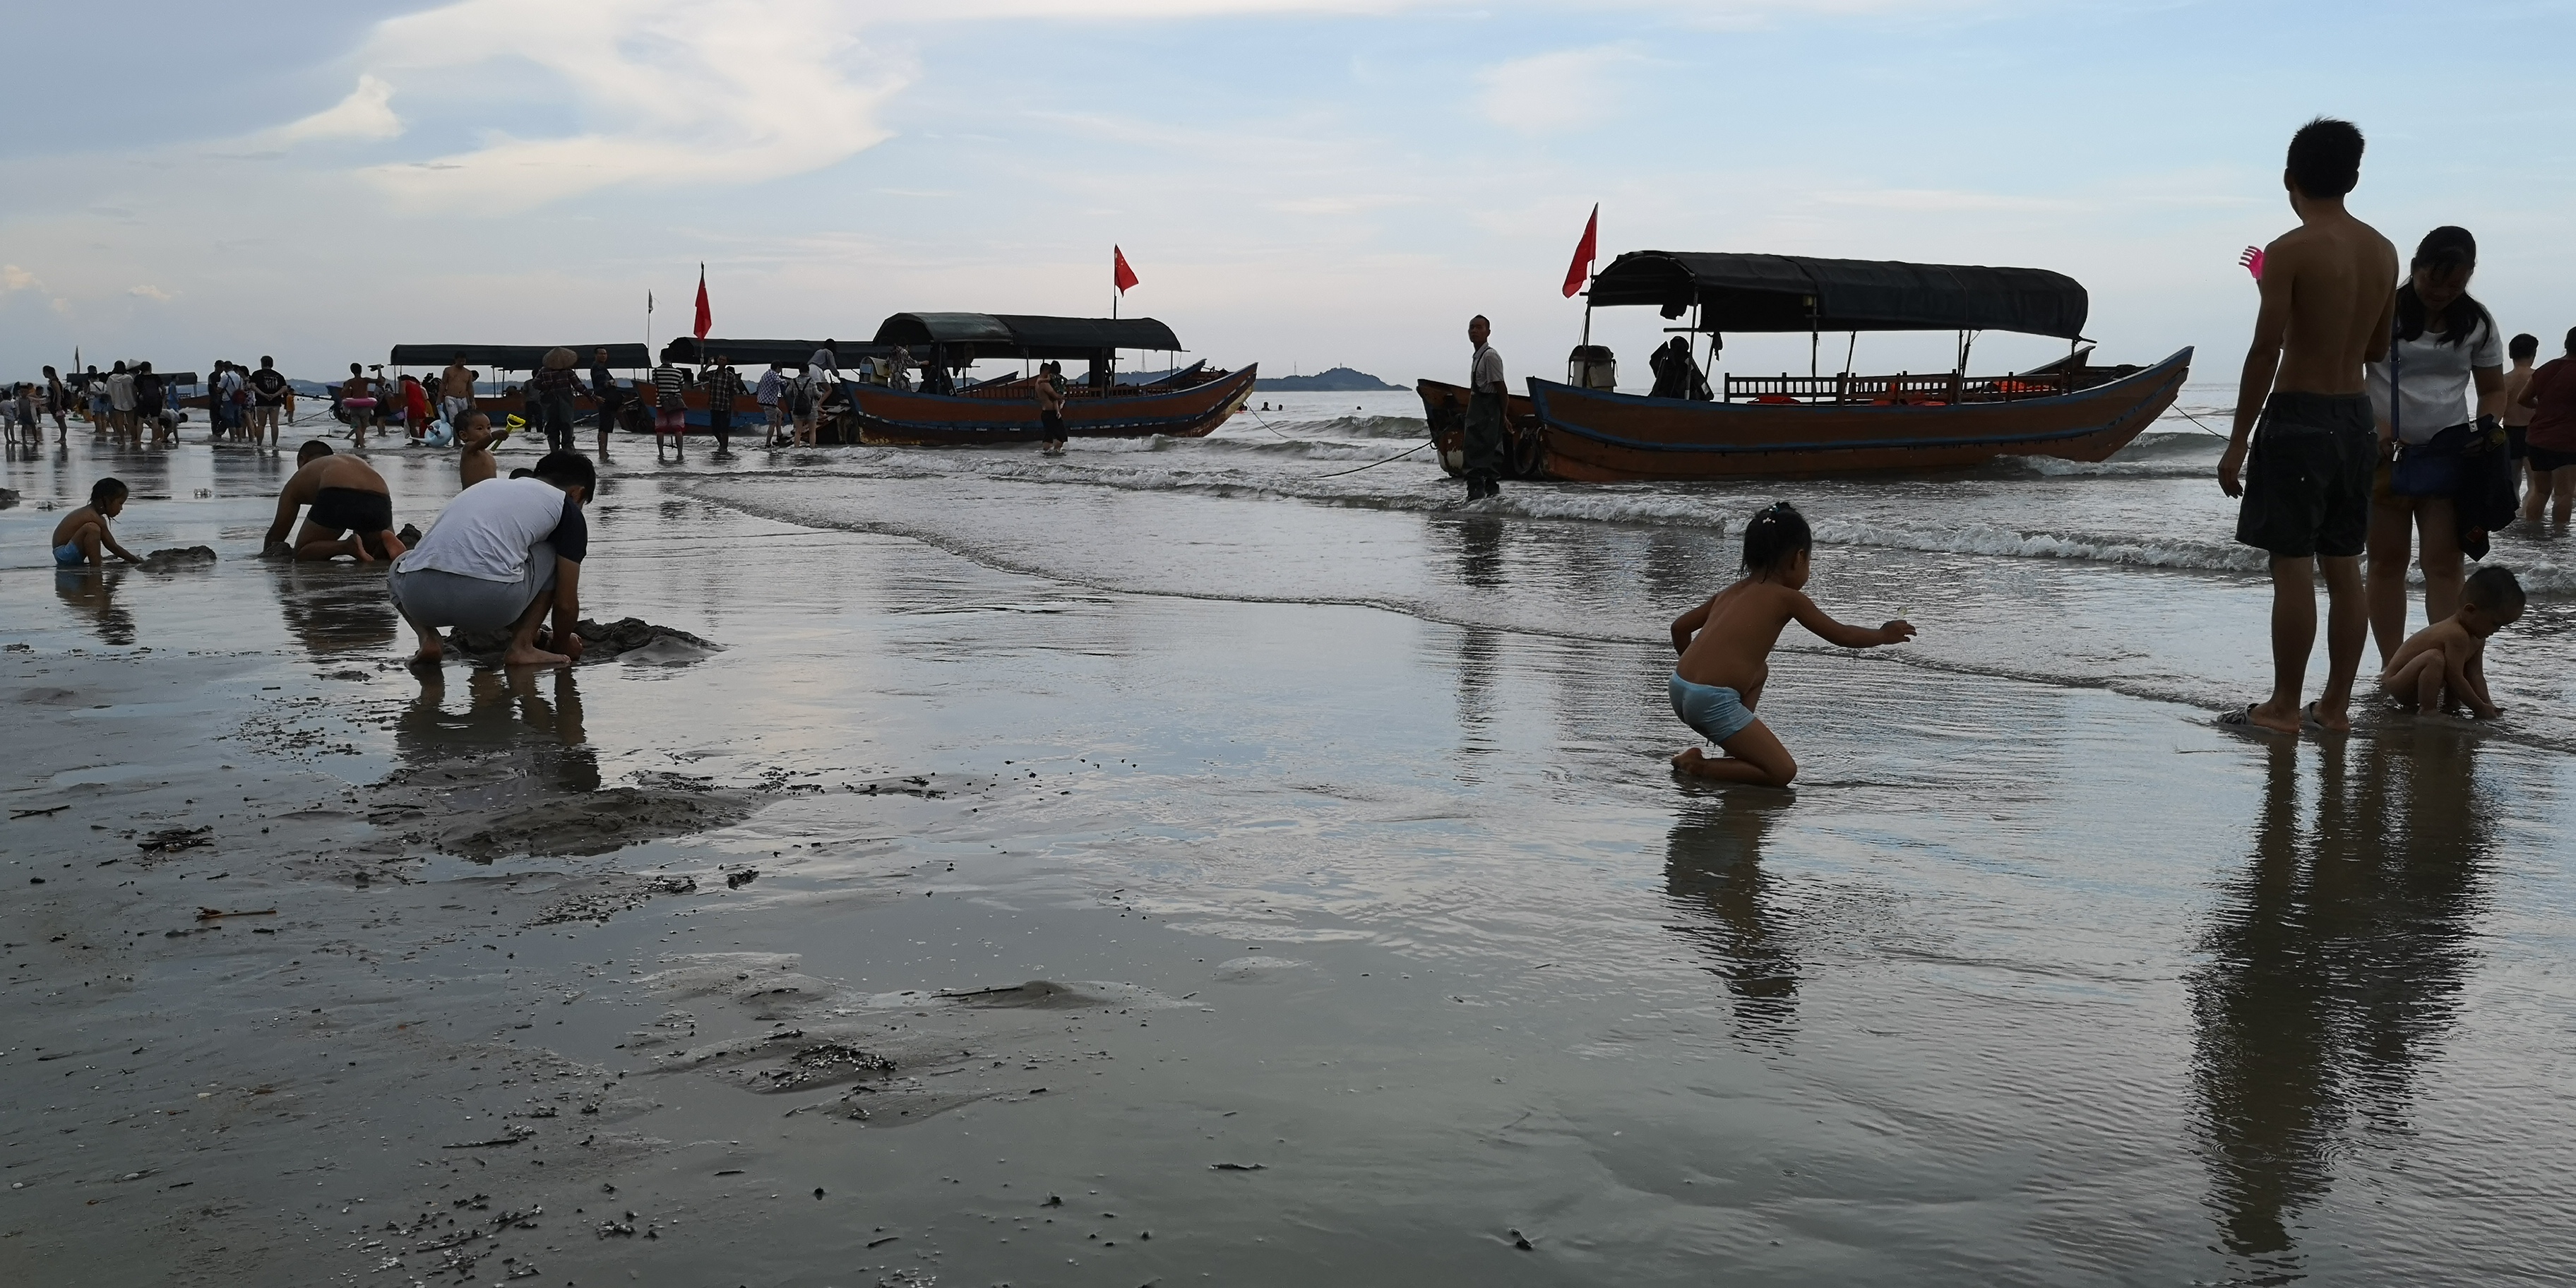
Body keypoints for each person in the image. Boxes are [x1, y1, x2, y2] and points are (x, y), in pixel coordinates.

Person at [2216, 117, 2397, 736]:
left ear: (2289, 178)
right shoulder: (2383, 250)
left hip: (2300, 415)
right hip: (2355, 417)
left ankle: (2284, 706)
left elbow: (2265, 350)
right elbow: (2375, 347)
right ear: (2352, 177)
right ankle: (2337, 707)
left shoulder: (2286, 252)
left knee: (2291, 565)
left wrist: (2238, 442)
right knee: (2347, 567)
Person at [1665, 502, 1914, 787]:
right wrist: (1883, 635)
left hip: (1679, 687)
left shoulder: (1731, 591)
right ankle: (1697, 765)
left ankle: (1736, 745)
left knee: (1759, 671)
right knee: (1782, 772)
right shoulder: (1788, 598)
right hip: (1710, 701)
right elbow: (1842, 635)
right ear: (1798, 558)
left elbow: (1679, 628)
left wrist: (1699, 677)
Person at [2363, 225, 2503, 666]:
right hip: (2386, 456)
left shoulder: (2476, 321)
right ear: (2416, 267)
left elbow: (2493, 389)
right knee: (2386, 565)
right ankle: (2394, 665)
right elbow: (2349, 371)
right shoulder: (2383, 311)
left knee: (2443, 567)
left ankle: (2445, 661)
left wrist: (2486, 427)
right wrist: (2379, 429)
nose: (2442, 291)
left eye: (2455, 283)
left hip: (2448, 457)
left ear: (2469, 276)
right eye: (2433, 279)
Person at [388, 451, 595, 669]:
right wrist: (562, 643)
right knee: (553, 551)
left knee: (403, 561)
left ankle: (428, 639)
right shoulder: (567, 508)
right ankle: (521, 647)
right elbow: (565, 602)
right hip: (490, 602)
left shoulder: (485, 487)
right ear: (576, 494)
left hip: (419, 599)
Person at [2378, 564, 2522, 718]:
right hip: (2397, 685)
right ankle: (2428, 710)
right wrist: (2478, 708)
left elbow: (2475, 675)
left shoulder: (2477, 636)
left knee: (2454, 664)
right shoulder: (2457, 634)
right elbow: (2455, 678)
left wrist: (2488, 704)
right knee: (2435, 659)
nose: (2497, 630)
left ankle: (2450, 706)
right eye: (2495, 623)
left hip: (2412, 683)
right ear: (2470, 610)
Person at [261, 441, 406, 561]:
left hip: (338, 492)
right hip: (379, 493)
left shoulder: (301, 475)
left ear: (302, 459)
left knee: (302, 553)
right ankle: (384, 540)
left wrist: (266, 556)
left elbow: (277, 533)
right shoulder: (349, 462)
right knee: (372, 552)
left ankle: (347, 546)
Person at [2518, 325, 2576, 525]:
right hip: (2566, 441)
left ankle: (2534, 532)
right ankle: (2558, 544)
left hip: (2537, 438)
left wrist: (2543, 408)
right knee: (2564, 494)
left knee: (2541, 491)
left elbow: (2523, 398)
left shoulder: (2547, 368)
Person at [51, 478, 143, 567]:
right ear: (106, 500)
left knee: (93, 529)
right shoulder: (92, 516)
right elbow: (112, 546)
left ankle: (98, 560)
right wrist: (134, 560)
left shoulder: (95, 516)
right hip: (64, 554)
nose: (121, 508)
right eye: (120, 504)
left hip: (67, 553)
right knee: (92, 529)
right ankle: (96, 567)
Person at [1463, 315, 1506, 501]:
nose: (1474, 331)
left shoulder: (1490, 356)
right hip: (1477, 411)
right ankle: (1480, 499)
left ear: (1488, 332)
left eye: (1479, 327)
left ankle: (1484, 497)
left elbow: (1501, 389)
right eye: (1472, 327)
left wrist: (1503, 416)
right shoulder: (1477, 356)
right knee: (1475, 451)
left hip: (1489, 411)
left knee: (1486, 453)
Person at [526, 347, 587, 454]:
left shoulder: (544, 371)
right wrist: (592, 396)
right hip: (565, 403)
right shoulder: (568, 372)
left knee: (551, 428)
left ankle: (554, 453)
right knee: (567, 427)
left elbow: (535, 384)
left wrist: (545, 388)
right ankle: (568, 453)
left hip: (549, 403)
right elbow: (579, 386)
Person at [2501, 332, 2539, 495]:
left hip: (2510, 432)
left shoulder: (2504, 380)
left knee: (2513, 481)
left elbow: (2498, 409)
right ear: (2534, 354)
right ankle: (2528, 514)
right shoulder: (2538, 377)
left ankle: (2515, 515)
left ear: (2510, 354)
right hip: (2534, 432)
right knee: (2535, 483)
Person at [457, 411, 510, 487]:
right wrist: (493, 436)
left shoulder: (487, 453)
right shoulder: (469, 449)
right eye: (480, 429)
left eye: (489, 428)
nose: (486, 432)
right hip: (472, 495)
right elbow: (481, 444)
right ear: (464, 435)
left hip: (487, 493)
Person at [703, 356, 743, 455]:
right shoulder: (712, 374)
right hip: (714, 405)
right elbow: (700, 376)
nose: (721, 361)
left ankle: (724, 449)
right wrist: (707, 365)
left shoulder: (730, 376)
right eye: (720, 359)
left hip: (725, 406)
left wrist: (735, 407)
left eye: (723, 360)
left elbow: (733, 393)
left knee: (724, 429)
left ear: (726, 363)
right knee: (714, 429)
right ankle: (722, 445)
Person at [650, 358, 688, 459]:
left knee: (660, 429)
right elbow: (681, 386)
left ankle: (661, 453)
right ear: (671, 359)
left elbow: (656, 384)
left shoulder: (656, 372)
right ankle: (680, 453)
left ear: (661, 358)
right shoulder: (678, 372)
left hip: (661, 403)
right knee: (678, 429)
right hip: (676, 404)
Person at [248, 356, 290, 446]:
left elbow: (252, 386)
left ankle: (259, 444)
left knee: (261, 425)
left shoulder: (257, 374)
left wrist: (263, 394)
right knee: (274, 424)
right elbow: (285, 388)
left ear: (262, 363)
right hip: (275, 403)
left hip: (262, 402)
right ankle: (274, 444)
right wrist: (275, 395)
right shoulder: (278, 375)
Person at [589, 348, 622, 461]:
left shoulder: (601, 368)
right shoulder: (598, 368)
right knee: (604, 427)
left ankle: (603, 451)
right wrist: (611, 383)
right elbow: (605, 383)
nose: (604, 356)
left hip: (605, 399)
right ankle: (602, 453)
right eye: (601, 354)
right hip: (604, 399)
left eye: (605, 354)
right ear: (596, 355)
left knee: (606, 427)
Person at [340, 363, 378, 446]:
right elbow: (380, 381)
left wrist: (346, 396)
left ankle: (361, 445)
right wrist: (379, 370)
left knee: (356, 427)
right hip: (366, 407)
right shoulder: (365, 380)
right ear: (361, 370)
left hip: (355, 408)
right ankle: (359, 444)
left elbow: (344, 391)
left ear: (352, 371)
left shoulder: (350, 382)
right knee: (363, 427)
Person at [1034, 360, 1068, 455]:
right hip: (1051, 413)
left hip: (1046, 412)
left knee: (1048, 436)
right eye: (1049, 371)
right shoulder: (1044, 384)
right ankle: (1055, 453)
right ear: (1046, 370)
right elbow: (1055, 395)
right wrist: (1062, 396)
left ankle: (1047, 454)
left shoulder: (1038, 382)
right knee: (1062, 436)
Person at [133, 362, 169, 445]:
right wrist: (162, 398)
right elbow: (163, 389)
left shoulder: (138, 378)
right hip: (156, 401)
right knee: (155, 420)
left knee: (140, 420)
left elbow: (134, 390)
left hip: (143, 400)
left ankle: (138, 439)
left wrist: (137, 398)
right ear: (150, 368)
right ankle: (154, 440)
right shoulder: (156, 377)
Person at [441, 354, 477, 427]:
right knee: (454, 420)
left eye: (463, 361)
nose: (462, 363)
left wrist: (472, 401)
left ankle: (463, 436)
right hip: (451, 397)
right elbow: (443, 384)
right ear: (456, 360)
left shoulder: (468, 373)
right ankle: (456, 438)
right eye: (460, 361)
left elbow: (470, 387)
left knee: (464, 419)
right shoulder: (448, 370)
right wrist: (439, 398)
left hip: (463, 398)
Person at [105, 360, 136, 444]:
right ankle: (133, 438)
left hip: (117, 402)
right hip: (129, 401)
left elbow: (109, 391)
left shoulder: (111, 378)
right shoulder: (129, 378)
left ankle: (122, 439)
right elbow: (134, 389)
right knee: (131, 421)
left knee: (119, 422)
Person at [756, 362, 785, 446]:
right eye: (780, 370)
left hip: (761, 401)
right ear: (778, 368)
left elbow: (759, 387)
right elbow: (781, 382)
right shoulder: (774, 374)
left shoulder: (766, 374)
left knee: (779, 414)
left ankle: (779, 434)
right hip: (769, 403)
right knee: (772, 423)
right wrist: (789, 382)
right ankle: (768, 443)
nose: (780, 372)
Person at [398, 373, 431, 443]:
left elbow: (402, 393)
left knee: (412, 425)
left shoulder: (403, 383)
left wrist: (403, 403)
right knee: (419, 424)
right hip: (421, 404)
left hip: (412, 404)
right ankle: (423, 439)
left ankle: (416, 442)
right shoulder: (417, 385)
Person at [43, 366, 69, 443]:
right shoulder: (53, 381)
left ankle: (63, 438)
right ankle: (62, 437)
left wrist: (58, 404)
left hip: (56, 403)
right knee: (60, 421)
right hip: (55, 402)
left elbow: (59, 393)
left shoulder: (54, 382)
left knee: (60, 421)